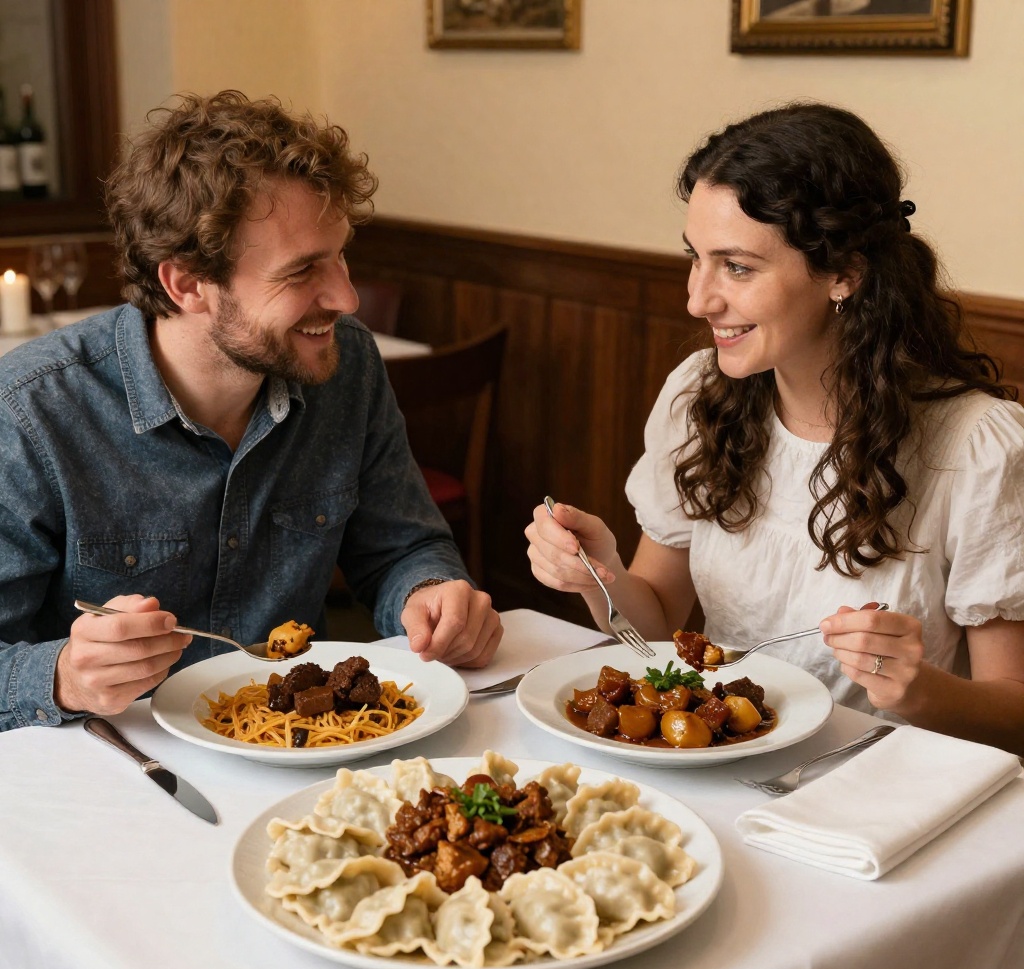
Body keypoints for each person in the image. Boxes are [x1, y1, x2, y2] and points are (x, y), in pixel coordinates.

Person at [527, 103, 1024, 755]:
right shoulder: (698, 394)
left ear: (844, 272)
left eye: (736, 266)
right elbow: (658, 624)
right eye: (695, 258)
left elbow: (1013, 711)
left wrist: (916, 688)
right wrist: (603, 574)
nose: (698, 298)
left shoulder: (979, 447)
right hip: (733, 767)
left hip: (891, 789)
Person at [0, 90, 501, 732]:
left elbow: (402, 546)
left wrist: (430, 594)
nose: (346, 297)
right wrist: (65, 677)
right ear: (185, 284)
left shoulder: (346, 367)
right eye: (301, 273)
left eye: (342, 254)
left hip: (298, 748)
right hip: (118, 762)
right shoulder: (32, 410)